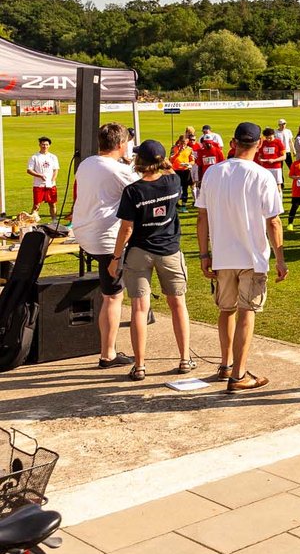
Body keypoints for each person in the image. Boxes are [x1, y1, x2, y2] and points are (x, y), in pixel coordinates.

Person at [195, 122, 287, 393]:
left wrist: (203, 253)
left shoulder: (212, 173)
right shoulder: (262, 175)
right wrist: (280, 259)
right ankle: (239, 374)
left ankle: (226, 365)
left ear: (234, 142)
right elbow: (274, 222)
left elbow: (202, 217)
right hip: (252, 257)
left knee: (226, 311)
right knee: (247, 312)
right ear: (259, 144)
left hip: (222, 254)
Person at [109, 140, 190, 380]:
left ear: (140, 161)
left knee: (139, 309)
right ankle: (185, 359)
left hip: (139, 252)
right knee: (178, 305)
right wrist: (166, 161)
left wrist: (115, 257)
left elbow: (126, 229)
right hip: (169, 251)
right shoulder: (173, 181)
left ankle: (140, 365)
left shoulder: (133, 190)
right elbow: (171, 172)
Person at [73, 123, 139, 369]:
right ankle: (107, 354)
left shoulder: (86, 163)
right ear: (121, 145)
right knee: (112, 297)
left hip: (85, 233)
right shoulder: (119, 171)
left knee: (111, 293)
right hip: (105, 239)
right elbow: (141, 187)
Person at [27, 136, 59, 219]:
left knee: (52, 204)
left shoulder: (53, 157)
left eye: (46, 144)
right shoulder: (34, 157)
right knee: (36, 205)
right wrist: (40, 175)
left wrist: (52, 180)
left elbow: (55, 170)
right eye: (43, 144)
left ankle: (54, 221)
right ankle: (32, 222)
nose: (45, 146)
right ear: (39, 145)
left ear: (49, 145)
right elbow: (29, 170)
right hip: (38, 185)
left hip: (51, 185)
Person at [169, 133, 197, 211]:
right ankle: (176, 203)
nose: (183, 145)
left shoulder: (190, 149)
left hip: (185, 171)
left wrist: (189, 164)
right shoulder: (174, 148)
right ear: (179, 142)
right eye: (182, 143)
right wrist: (178, 153)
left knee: (185, 188)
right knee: (176, 188)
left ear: (187, 142)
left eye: (185, 143)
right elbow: (170, 160)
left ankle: (184, 205)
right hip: (176, 171)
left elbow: (192, 161)